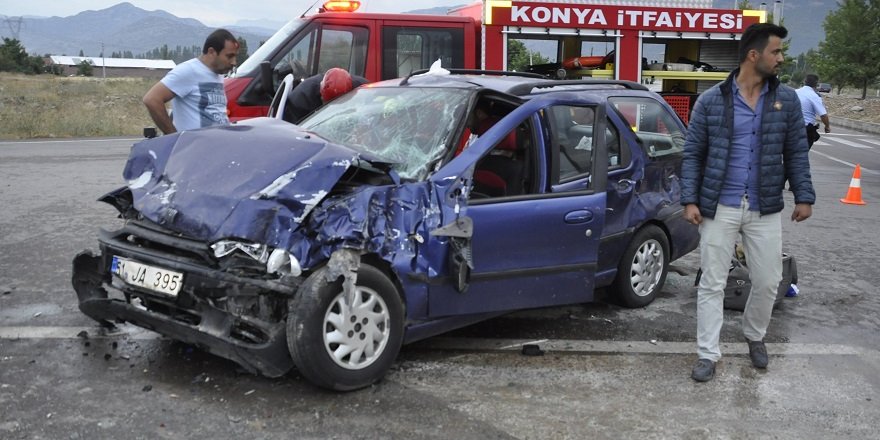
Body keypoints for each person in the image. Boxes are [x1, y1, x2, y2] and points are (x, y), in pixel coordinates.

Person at [680, 23, 815, 382]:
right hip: (718, 206)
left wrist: (804, 196)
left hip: (763, 205)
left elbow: (796, 153)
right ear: (754, 56)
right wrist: (689, 198)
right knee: (712, 281)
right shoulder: (711, 100)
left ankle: (755, 335)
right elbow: (693, 154)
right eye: (776, 52)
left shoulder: (787, 100)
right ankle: (708, 353)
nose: (781, 58)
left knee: (769, 280)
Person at [143, 29, 239, 134]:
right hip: (194, 147)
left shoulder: (218, 75)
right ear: (211, 52)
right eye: (229, 56)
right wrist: (173, 137)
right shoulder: (188, 71)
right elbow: (152, 99)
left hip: (216, 146)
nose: (234, 62)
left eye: (235, 56)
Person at [285, 68, 368, 124]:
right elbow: (293, 130)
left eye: (339, 104)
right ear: (321, 94)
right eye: (328, 104)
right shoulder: (300, 98)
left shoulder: (364, 89)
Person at [796, 74, 831, 148]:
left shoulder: (795, 92)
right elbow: (823, 115)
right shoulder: (814, 96)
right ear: (816, 84)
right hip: (805, 130)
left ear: (804, 81)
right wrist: (827, 126)